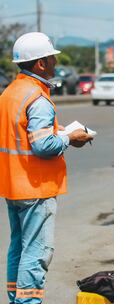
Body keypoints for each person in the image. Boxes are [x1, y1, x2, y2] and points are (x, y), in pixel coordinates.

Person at [0, 32, 93, 304]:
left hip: (13, 184)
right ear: (40, 63)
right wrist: (69, 138)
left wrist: (56, 131)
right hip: (35, 186)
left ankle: (16, 297)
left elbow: (21, 133)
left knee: (18, 246)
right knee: (37, 250)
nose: (55, 61)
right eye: (52, 57)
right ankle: (28, 301)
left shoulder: (11, 92)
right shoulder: (38, 98)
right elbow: (42, 147)